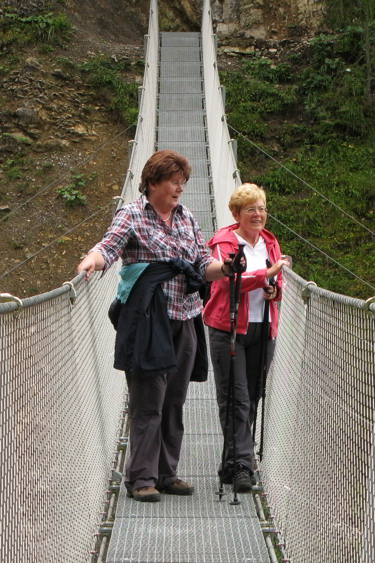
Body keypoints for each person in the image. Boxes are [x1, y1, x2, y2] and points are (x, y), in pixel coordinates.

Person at [77, 150, 237, 503]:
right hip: (148, 320)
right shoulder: (133, 214)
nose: (179, 189)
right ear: (152, 182)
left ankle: (166, 473)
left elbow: (201, 263)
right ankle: (141, 478)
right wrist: (92, 260)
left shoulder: (187, 217)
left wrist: (225, 268)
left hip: (185, 317)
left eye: (183, 183)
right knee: (148, 400)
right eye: (173, 182)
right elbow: (109, 247)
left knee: (174, 400)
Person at [203, 183, 289, 493]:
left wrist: (274, 289)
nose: (258, 214)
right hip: (228, 329)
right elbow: (228, 282)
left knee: (252, 396)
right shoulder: (225, 244)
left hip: (263, 328)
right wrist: (264, 277)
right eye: (250, 209)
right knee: (235, 398)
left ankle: (232, 462)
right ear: (236, 214)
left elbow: (278, 285)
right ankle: (243, 466)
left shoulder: (270, 243)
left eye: (262, 208)